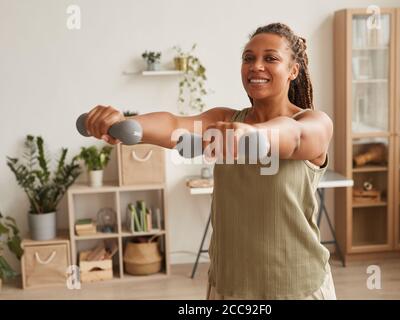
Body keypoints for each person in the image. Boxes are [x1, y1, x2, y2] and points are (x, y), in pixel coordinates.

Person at [83, 22, 335, 300]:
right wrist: (125, 123)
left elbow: (295, 137)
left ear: (293, 71)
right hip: (229, 285)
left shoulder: (314, 121)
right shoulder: (226, 121)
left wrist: (254, 134)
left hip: (297, 287)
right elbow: (174, 124)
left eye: (271, 58)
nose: (256, 66)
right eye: (248, 58)